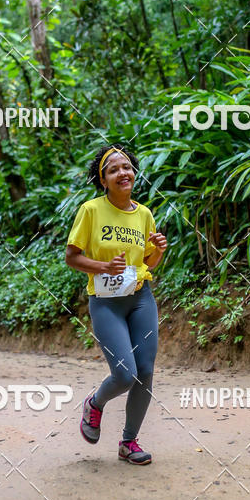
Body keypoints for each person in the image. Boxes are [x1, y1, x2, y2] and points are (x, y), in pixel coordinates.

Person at [65, 144, 167, 465]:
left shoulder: (144, 214)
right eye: (113, 169)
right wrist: (103, 267)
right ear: (104, 180)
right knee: (125, 374)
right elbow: (72, 257)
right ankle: (94, 404)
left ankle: (128, 442)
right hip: (106, 302)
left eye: (127, 167)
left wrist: (159, 251)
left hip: (140, 298)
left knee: (146, 371)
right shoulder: (91, 210)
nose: (122, 172)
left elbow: (146, 261)